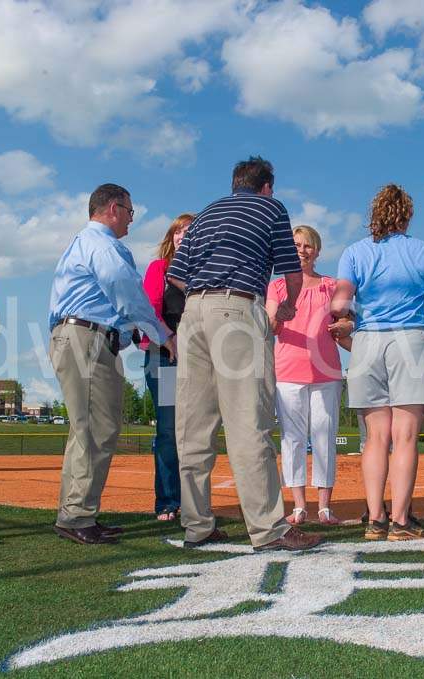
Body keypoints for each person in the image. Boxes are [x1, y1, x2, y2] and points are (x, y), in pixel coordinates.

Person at [167, 155, 323, 552]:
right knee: (247, 421)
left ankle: (197, 525)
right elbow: (290, 273)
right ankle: (268, 530)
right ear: (266, 186)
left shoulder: (205, 213)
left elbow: (176, 277)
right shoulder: (270, 207)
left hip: (193, 313)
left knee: (192, 426)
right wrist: (286, 306)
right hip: (236, 309)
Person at [49, 183, 175, 546]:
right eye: (131, 212)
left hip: (85, 338)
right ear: (114, 208)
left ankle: (79, 512)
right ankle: (76, 515)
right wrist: (164, 334)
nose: (131, 221)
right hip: (87, 339)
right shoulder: (102, 244)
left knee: (90, 429)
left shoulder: (85, 243)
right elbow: (127, 292)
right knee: (95, 430)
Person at [332, 184, 424, 541]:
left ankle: (375, 520)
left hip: (367, 342)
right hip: (409, 341)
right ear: (407, 215)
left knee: (375, 438)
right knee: (406, 436)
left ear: (374, 216)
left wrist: (351, 311)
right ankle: (401, 522)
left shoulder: (354, 252)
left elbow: (339, 303)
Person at [266, 225, 352, 526]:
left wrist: (346, 326)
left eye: (308, 245)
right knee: (292, 439)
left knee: (325, 436)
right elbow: (270, 323)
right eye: (297, 245)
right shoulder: (277, 286)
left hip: (326, 372)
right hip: (288, 371)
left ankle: (325, 507)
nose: (302, 250)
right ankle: (300, 506)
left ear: (317, 251)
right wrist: (279, 316)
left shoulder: (331, 285)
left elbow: (346, 321)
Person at [141, 213, 194, 522]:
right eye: (177, 231)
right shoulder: (159, 269)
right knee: (169, 430)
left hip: (199, 358)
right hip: (166, 356)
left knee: (195, 430)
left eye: (188, 231)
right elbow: (149, 311)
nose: (181, 236)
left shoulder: (202, 272)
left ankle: (194, 501)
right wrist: (171, 338)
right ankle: (168, 502)